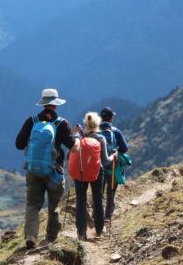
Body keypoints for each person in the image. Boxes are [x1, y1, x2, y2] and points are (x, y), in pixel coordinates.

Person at [16, 88, 80, 249]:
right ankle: (50, 239)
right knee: (54, 206)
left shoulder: (31, 121)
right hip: (54, 172)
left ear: (43, 104)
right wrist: (78, 137)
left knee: (33, 205)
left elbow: (18, 144)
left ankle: (31, 236)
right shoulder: (62, 123)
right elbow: (74, 148)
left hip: (33, 170)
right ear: (56, 104)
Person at [73, 112, 117, 240]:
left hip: (81, 173)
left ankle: (81, 233)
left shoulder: (80, 138)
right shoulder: (100, 138)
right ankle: (99, 230)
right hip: (97, 173)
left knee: (81, 201)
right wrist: (113, 157)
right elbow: (104, 160)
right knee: (98, 200)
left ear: (85, 124)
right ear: (97, 124)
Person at [100, 107, 128, 221]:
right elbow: (125, 148)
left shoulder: (95, 131)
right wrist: (116, 153)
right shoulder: (115, 131)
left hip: (98, 167)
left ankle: (97, 214)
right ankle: (108, 215)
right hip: (112, 165)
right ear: (111, 118)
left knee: (98, 191)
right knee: (111, 191)